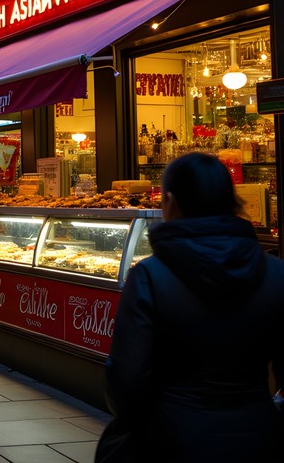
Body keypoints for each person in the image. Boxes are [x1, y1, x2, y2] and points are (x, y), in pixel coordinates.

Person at [100, 152, 284, 462]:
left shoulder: (149, 275)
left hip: (168, 439)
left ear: (169, 201)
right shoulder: (277, 274)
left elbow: (124, 381)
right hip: (259, 436)